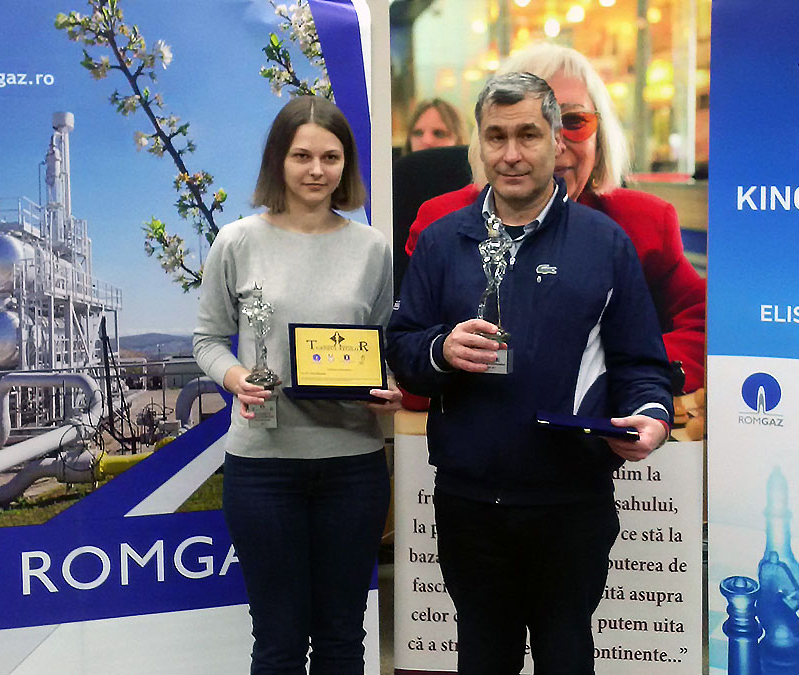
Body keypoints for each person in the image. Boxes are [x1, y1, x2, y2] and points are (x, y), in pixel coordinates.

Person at [387, 72, 673, 674]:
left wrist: (650, 417)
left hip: (571, 502)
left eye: (528, 135)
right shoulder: (442, 242)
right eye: (496, 137)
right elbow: (404, 347)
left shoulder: (605, 245)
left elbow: (640, 363)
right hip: (468, 501)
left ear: (555, 143)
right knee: (482, 657)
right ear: (480, 146)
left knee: (566, 655)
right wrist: (440, 351)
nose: (511, 154)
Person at [193, 95, 400, 674]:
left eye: (331, 157)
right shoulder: (236, 241)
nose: (316, 170)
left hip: (353, 466)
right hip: (264, 467)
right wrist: (236, 378)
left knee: (341, 638)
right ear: (277, 161)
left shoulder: (372, 248)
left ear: (346, 164)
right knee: (279, 643)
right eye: (301, 155)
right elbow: (206, 339)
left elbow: (386, 341)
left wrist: (389, 381)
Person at [405, 43, 706, 392]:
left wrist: (612, 373)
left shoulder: (642, 224)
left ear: (602, 136)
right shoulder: (442, 222)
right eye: (529, 129)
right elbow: (410, 344)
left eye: (573, 121)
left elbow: (705, 325)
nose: (554, 144)